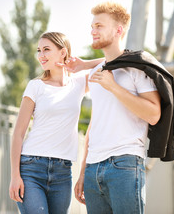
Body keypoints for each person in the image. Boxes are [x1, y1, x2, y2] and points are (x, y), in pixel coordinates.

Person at [73, 2, 162, 214]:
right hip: (94, 167)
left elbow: (154, 114)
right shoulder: (96, 71)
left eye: (99, 26)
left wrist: (113, 87)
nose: (93, 31)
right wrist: (84, 170)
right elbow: (95, 124)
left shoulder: (137, 69)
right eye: (92, 26)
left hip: (124, 164)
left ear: (118, 30)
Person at [9, 31, 104, 214]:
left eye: (46, 49)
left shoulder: (78, 84)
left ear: (63, 52)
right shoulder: (35, 86)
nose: (41, 55)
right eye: (39, 50)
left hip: (62, 172)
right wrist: (15, 176)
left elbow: (111, 62)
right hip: (31, 169)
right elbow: (18, 134)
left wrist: (84, 64)